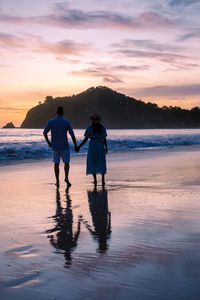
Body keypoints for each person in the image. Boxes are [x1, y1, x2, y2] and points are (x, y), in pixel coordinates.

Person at [43, 106, 77, 188]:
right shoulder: (66, 122)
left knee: (56, 164)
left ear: (56, 112)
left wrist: (49, 143)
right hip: (64, 146)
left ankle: (57, 181)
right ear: (63, 113)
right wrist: (75, 145)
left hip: (55, 146)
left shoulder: (51, 121)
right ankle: (66, 178)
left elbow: (44, 133)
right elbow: (72, 134)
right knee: (66, 163)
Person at [76, 113, 108, 186]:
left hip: (92, 145)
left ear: (92, 120)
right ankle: (103, 179)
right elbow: (104, 139)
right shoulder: (102, 127)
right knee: (101, 161)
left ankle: (95, 180)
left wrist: (79, 146)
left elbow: (86, 139)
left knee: (93, 161)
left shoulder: (89, 128)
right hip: (100, 144)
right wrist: (106, 148)